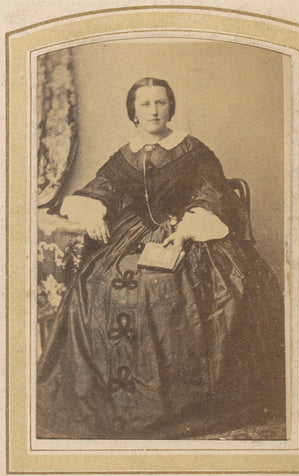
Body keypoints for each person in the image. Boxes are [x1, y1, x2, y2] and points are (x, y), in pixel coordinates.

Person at [37, 77, 285, 439]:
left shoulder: (191, 149)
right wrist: (93, 211)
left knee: (168, 287)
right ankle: (115, 398)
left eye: (160, 103)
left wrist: (185, 230)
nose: (153, 111)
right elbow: (103, 187)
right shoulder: (126, 154)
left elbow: (212, 193)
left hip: (190, 234)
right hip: (134, 235)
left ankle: (182, 402)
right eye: (145, 104)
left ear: (170, 107)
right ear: (133, 112)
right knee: (98, 282)